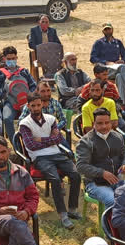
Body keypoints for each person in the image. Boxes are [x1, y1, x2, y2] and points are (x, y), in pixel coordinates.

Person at [18, 91, 81, 229]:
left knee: (76, 175)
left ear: (42, 104)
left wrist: (41, 139)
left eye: (38, 105)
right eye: (33, 105)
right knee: (55, 179)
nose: (36, 108)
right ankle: (63, 215)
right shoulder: (24, 123)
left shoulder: (51, 119)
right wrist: (50, 140)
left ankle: (72, 209)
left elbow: (59, 139)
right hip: (39, 158)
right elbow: (31, 146)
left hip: (56, 153)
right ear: (28, 106)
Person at [75, 108, 125, 208]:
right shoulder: (86, 141)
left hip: (116, 180)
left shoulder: (118, 136)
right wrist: (102, 173)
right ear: (93, 124)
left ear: (111, 123)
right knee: (112, 201)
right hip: (95, 184)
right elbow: (81, 166)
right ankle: (108, 223)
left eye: (107, 123)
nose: (104, 126)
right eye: (100, 123)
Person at [0, 46, 36, 140]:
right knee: (7, 118)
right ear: (4, 59)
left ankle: (31, 139)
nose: (11, 60)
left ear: (16, 57)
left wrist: (30, 96)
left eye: (13, 58)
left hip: (26, 102)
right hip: (10, 102)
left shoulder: (24, 71)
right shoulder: (0, 73)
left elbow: (33, 85)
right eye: (9, 59)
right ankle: (15, 142)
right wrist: (4, 97)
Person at [89, 23, 125, 105]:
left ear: (112, 29)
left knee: (119, 77)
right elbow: (93, 58)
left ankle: (123, 104)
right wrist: (106, 62)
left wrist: (122, 61)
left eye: (109, 29)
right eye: (105, 29)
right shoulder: (99, 43)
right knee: (122, 68)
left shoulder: (118, 42)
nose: (107, 31)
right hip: (106, 69)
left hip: (118, 68)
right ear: (103, 31)